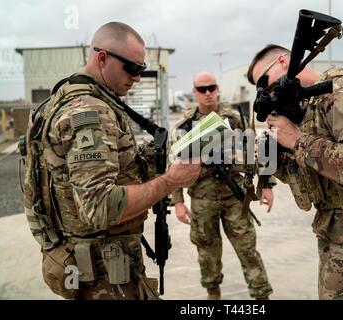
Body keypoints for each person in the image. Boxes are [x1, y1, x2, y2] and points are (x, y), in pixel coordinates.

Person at [34, 22, 201, 300]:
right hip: (106, 278)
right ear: (102, 58)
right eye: (133, 68)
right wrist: (171, 181)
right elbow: (100, 207)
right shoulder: (90, 112)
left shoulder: (64, 97)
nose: (137, 78)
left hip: (89, 265)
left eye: (142, 69)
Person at [247, 44, 343, 300]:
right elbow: (316, 170)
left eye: (265, 80)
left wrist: (297, 140)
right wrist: (277, 159)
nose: (265, 91)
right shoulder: (310, 106)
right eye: (259, 88)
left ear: (284, 61)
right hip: (338, 232)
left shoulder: (341, 93)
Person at [171, 71, 274, 300]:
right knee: (206, 250)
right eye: (202, 89)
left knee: (247, 249)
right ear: (194, 92)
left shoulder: (235, 117)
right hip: (202, 198)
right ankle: (212, 293)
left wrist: (266, 185)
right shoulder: (185, 124)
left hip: (234, 196)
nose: (207, 93)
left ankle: (261, 295)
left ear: (217, 88)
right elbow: (174, 166)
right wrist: (178, 202)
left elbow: (254, 150)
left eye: (211, 88)